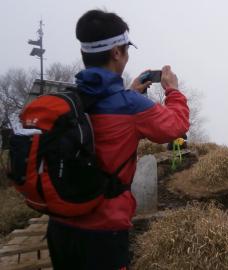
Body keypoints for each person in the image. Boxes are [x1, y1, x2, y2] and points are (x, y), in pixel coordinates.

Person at [46, 10, 189, 270]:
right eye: (126, 49)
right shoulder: (130, 106)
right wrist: (173, 90)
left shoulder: (71, 100)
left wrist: (128, 92)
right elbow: (176, 127)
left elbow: (102, 112)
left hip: (60, 227)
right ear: (116, 53)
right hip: (103, 233)